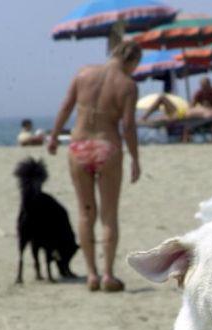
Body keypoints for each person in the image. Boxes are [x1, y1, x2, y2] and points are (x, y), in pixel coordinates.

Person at [47, 41, 142, 292]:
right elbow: (129, 126)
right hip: (107, 146)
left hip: (78, 147)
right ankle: (108, 274)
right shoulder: (128, 85)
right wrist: (135, 158)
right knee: (109, 215)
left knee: (85, 212)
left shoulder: (83, 73)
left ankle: (91, 274)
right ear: (133, 62)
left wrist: (54, 137)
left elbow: (66, 106)